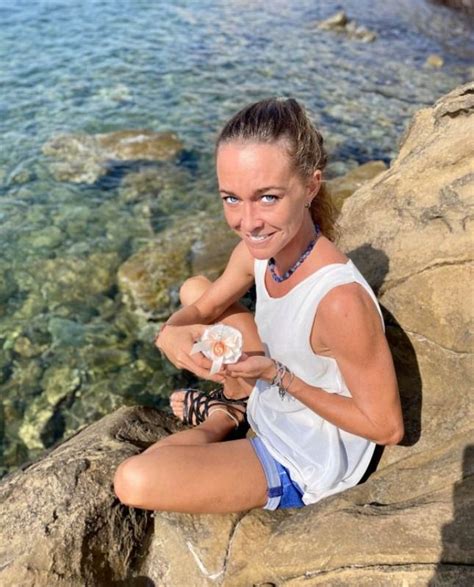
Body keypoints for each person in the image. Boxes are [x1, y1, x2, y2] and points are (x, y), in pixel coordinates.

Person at [114, 98, 404, 513]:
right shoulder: (260, 252)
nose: (247, 222)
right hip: (275, 395)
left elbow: (386, 427)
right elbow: (202, 307)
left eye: (267, 198)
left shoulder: (338, 301)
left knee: (134, 480)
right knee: (196, 288)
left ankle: (225, 417)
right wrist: (171, 333)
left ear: (311, 186)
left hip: (305, 453)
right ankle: (240, 402)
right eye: (232, 198)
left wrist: (276, 375)